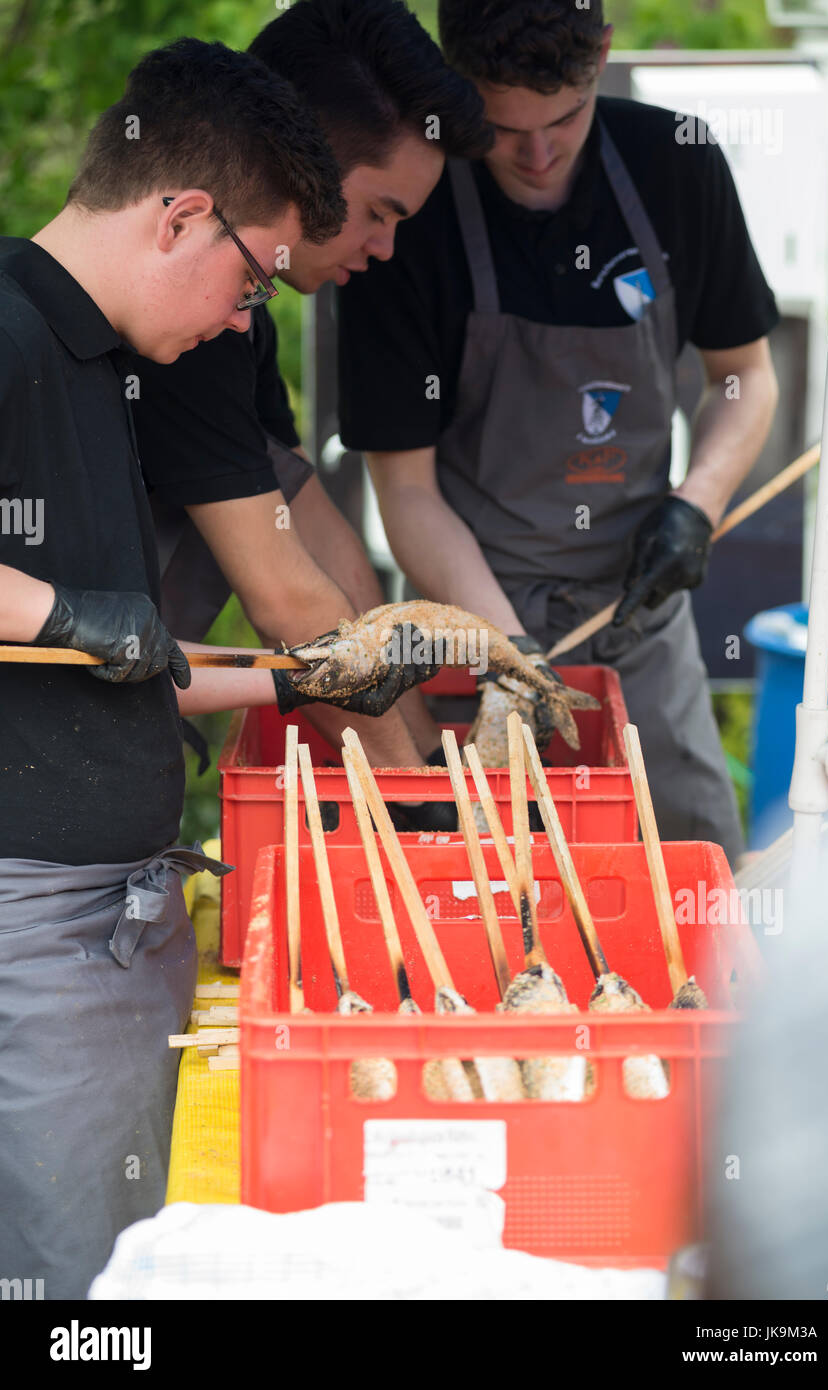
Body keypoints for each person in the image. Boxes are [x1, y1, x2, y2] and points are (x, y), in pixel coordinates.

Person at [0, 37, 349, 1299]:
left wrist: (299, 680)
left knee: (119, 1276)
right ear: (181, 213)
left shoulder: (108, 367)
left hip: (114, 918)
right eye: (254, 284)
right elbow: (84, 628)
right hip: (40, 923)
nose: (241, 322)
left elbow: (127, 658)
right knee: (74, 1295)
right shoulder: (11, 332)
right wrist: (77, 615)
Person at [336, 0, 782, 865]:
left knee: (686, 875)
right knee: (490, 881)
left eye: (565, 117)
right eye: (501, 129)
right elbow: (406, 491)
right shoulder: (408, 214)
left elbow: (746, 375)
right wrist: (512, 658)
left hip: (642, 610)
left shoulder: (672, 163)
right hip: (473, 621)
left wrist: (697, 503)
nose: (537, 156)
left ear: (603, 57)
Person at [127, 0, 494, 783]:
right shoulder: (185, 321)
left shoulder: (241, 318)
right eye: (377, 213)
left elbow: (318, 545)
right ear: (301, 163)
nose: (386, 249)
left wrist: (429, 758)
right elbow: (288, 605)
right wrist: (415, 799)